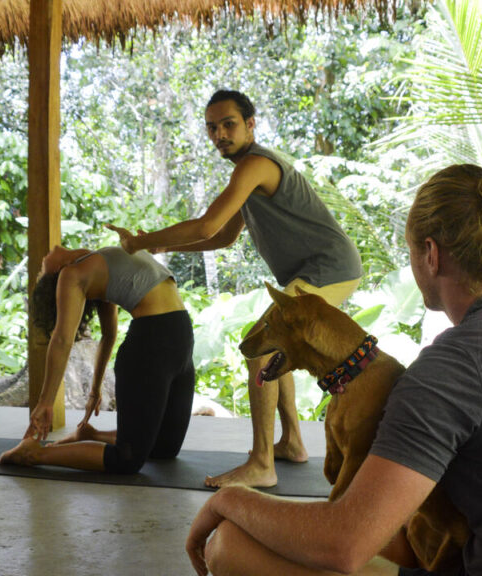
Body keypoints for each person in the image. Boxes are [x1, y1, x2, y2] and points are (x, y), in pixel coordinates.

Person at [185, 158, 482, 575]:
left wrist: (231, 500)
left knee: (230, 544)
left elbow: (344, 544)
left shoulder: (456, 363)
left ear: (431, 254)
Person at [106, 89, 363, 488]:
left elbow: (207, 224)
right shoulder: (246, 171)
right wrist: (160, 243)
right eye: (212, 127)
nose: (219, 134)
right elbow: (223, 236)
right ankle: (293, 442)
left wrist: (139, 242)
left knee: (259, 349)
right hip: (324, 268)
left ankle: (262, 464)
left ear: (250, 125)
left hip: (327, 267)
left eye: (228, 124)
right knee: (278, 349)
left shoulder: (256, 164)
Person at [0, 245, 195, 473]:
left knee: (165, 448)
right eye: (42, 272)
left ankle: (92, 435)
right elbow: (62, 340)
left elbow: (109, 336)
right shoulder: (71, 274)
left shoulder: (101, 264)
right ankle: (34, 453)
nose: (42, 263)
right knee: (127, 459)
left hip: (180, 339)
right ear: (57, 274)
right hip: (151, 344)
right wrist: (45, 402)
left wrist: (95, 390)